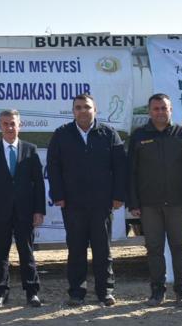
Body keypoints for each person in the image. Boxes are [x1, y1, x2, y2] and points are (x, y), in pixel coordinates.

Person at [47, 93, 127, 307]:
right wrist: (58, 195)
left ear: (95, 110)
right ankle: (76, 293)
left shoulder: (108, 133)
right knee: (76, 250)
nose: (83, 111)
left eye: (87, 107)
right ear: (73, 111)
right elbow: (53, 167)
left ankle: (105, 292)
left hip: (102, 203)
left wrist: (119, 195)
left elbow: (120, 167)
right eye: (78, 107)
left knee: (103, 249)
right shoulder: (62, 134)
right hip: (72, 204)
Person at [127, 93, 182, 307]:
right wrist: (133, 203)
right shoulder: (139, 136)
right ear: (149, 111)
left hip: (177, 202)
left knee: (179, 247)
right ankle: (157, 292)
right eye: (156, 108)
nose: (160, 112)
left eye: (164, 108)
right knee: (154, 248)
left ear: (171, 110)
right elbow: (131, 172)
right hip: (149, 204)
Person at [0, 109, 46, 308]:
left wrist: (39, 210)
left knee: (27, 253)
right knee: (1, 255)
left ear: (20, 125)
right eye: (5, 124)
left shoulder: (30, 150)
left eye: (13, 123)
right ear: (0, 126)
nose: (9, 127)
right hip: (0, 213)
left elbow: (39, 183)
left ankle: (32, 293)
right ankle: (0, 294)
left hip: (25, 212)